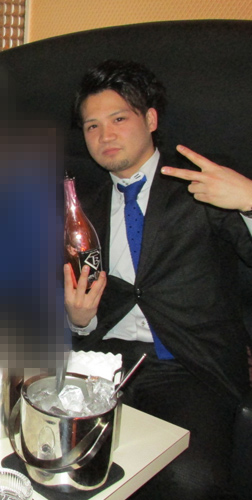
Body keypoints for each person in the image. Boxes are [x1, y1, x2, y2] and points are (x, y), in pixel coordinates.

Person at [64, 59, 252, 500]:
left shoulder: (204, 182)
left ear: (150, 120)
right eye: (92, 126)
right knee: (58, 459)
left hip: (188, 365)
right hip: (105, 364)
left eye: (118, 119)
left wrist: (249, 201)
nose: (105, 136)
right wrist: (79, 320)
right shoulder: (81, 204)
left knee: (190, 479)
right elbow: (78, 297)